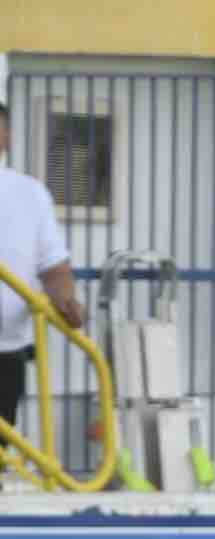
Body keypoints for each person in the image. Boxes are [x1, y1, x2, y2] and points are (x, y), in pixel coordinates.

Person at [0, 101, 84, 466]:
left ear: (6, 136)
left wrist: (66, 301)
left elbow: (53, 267)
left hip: (7, 349)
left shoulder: (29, 194)